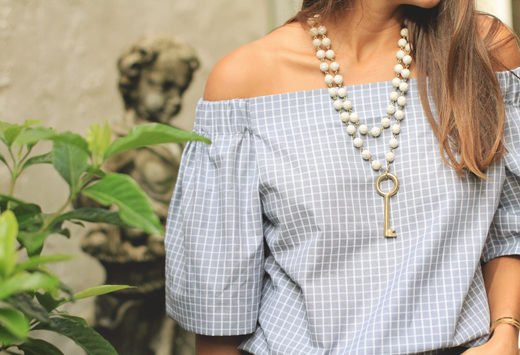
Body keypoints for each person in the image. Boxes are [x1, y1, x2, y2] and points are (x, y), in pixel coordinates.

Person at [164, 0, 520, 354]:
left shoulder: (483, 50)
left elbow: (510, 223)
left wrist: (506, 332)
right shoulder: (244, 83)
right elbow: (219, 313)